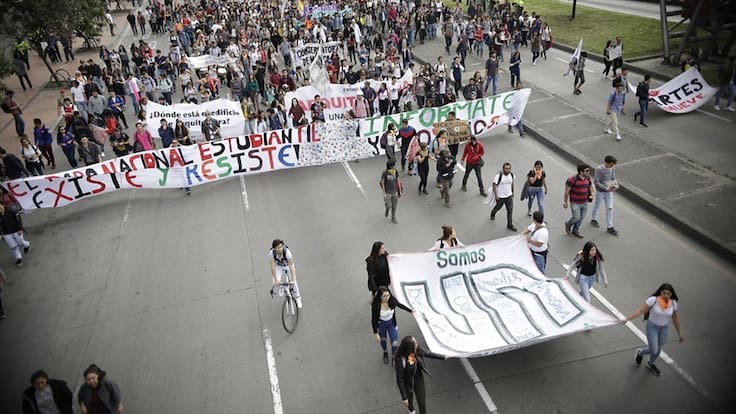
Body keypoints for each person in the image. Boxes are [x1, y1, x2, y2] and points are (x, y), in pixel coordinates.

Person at [623, 283, 685, 377]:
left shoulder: (673, 303)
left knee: (658, 349)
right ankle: (640, 352)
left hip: (664, 328)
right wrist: (627, 319)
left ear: (671, 294)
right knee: (654, 349)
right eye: (664, 293)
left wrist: (679, 332)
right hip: (652, 327)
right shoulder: (653, 300)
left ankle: (650, 363)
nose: (666, 295)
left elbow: (675, 318)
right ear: (660, 292)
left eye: (668, 294)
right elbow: (640, 310)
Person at [395, 336, 447, 414]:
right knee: (409, 401)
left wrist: (443, 357)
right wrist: (404, 397)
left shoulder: (417, 350)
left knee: (422, 402)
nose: (417, 344)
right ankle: (411, 410)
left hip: (418, 379)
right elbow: (400, 379)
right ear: (409, 348)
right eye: (415, 344)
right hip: (407, 383)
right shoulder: (400, 360)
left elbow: (428, 353)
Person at [372, 286, 413, 364]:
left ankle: (394, 356)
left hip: (391, 323)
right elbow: (373, 320)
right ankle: (385, 352)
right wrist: (375, 333)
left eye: (388, 295)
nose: (387, 298)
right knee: (383, 340)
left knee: (394, 342)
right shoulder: (376, 306)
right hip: (382, 324)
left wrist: (411, 311)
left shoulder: (392, 301)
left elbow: (400, 305)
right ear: (380, 296)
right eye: (384, 296)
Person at [591, 155, 620, 236]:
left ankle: (610, 226)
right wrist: (605, 188)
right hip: (600, 191)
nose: (612, 166)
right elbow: (596, 182)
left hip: (609, 192)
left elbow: (613, 178)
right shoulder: (599, 169)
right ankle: (594, 218)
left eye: (613, 165)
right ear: (606, 162)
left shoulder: (612, 168)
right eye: (611, 164)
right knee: (597, 205)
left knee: (610, 208)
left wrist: (616, 185)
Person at [563, 164, 594, 239]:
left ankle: (575, 230)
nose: (589, 172)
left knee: (581, 217)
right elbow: (567, 192)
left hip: (584, 201)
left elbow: (590, 186)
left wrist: (592, 194)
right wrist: (565, 202)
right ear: (581, 172)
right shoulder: (572, 179)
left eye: (589, 170)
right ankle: (568, 224)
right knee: (576, 217)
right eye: (587, 171)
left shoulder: (587, 178)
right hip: (575, 202)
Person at [269, 239, 302, 308]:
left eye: (281, 247)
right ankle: (281, 287)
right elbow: (272, 266)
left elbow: (291, 266)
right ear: (274, 248)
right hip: (278, 266)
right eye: (278, 247)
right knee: (275, 282)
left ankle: (298, 298)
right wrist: (276, 280)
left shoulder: (287, 252)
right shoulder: (271, 253)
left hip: (287, 266)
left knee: (294, 282)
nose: (280, 249)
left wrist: (293, 279)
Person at [490, 162, 517, 231]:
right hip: (500, 197)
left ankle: (510, 225)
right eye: (506, 168)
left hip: (509, 196)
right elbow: (494, 185)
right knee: (498, 207)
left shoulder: (511, 175)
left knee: (510, 210)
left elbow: (512, 183)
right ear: (503, 169)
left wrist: (512, 192)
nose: (507, 170)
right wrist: (496, 195)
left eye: (509, 168)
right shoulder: (498, 176)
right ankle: (493, 213)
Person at [380, 159, 403, 224]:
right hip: (388, 192)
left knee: (394, 206)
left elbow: (398, 181)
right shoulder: (385, 173)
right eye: (394, 165)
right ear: (391, 166)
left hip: (395, 192)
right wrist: (384, 193)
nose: (395, 166)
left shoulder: (395, 172)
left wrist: (400, 191)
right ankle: (387, 209)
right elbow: (382, 182)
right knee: (388, 205)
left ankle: (393, 218)